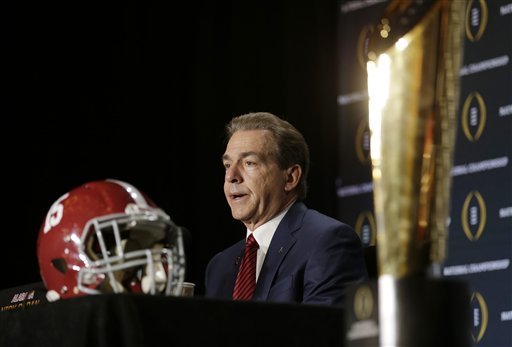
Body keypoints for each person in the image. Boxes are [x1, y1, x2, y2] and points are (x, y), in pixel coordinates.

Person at [205, 112, 367, 306]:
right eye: (227, 165)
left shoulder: (328, 242)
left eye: (249, 163)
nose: (231, 176)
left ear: (290, 178)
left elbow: (323, 332)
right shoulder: (219, 266)